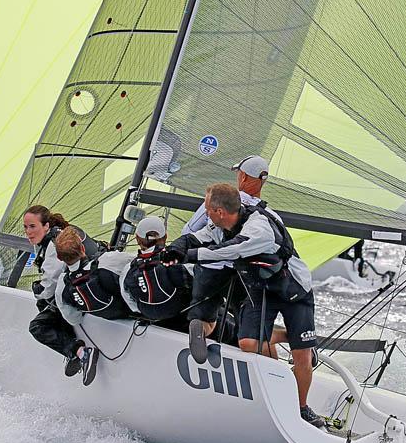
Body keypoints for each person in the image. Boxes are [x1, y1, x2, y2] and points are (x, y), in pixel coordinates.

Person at [164, 184, 324, 428]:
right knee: (248, 343)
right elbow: (198, 238)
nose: (205, 213)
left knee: (301, 356)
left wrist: (192, 256)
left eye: (208, 209)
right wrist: (177, 248)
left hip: (294, 290)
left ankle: (301, 408)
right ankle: (286, 362)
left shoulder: (259, 229)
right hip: (262, 290)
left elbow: (230, 250)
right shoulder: (221, 225)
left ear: (220, 211)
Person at [178, 155, 275, 346]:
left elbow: (188, 231)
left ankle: (203, 328)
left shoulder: (221, 200)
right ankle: (274, 358)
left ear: (244, 177)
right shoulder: (266, 214)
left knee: (204, 315)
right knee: (252, 327)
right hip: (245, 274)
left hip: (212, 269)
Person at [23, 205, 102, 382]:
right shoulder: (63, 233)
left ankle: (80, 352)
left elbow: (49, 285)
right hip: (96, 284)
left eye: (32, 226)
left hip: (88, 292)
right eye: (26, 227)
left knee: (38, 326)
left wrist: (37, 291)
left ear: (46, 226)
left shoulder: (53, 244)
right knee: (47, 305)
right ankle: (72, 347)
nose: (28, 232)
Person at [53, 226, 132, 385]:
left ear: (59, 258)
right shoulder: (107, 261)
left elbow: (73, 319)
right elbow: (136, 260)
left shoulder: (62, 286)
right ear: (83, 248)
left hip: (110, 321)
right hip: (134, 312)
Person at [122, 216, 193, 331]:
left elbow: (131, 303)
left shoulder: (127, 270)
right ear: (165, 237)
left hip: (154, 322)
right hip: (186, 319)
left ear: (137, 240)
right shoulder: (178, 260)